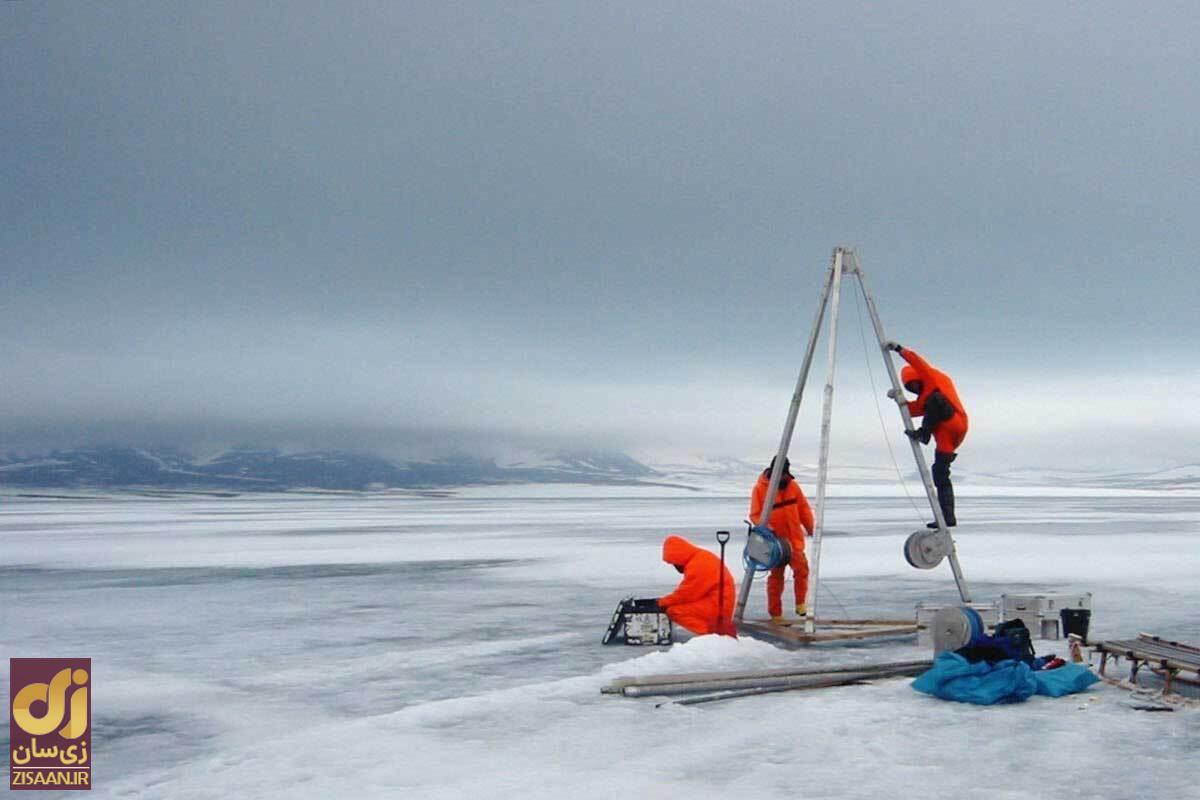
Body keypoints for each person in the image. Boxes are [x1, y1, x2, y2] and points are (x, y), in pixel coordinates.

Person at [886, 342, 968, 528]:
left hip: (954, 420)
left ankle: (924, 434)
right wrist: (898, 399)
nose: (914, 390)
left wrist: (899, 350)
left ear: (918, 378)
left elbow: (917, 361)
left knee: (935, 399)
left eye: (913, 385)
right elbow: (912, 411)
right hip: (947, 437)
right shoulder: (925, 399)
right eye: (910, 388)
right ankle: (947, 517)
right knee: (940, 473)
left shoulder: (932, 379)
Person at [749, 456, 814, 623]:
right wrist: (767, 528)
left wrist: (811, 527)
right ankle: (775, 614)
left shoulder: (793, 486)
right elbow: (755, 515)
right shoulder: (760, 489)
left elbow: (804, 509)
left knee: (802, 570)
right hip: (775, 543)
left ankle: (801, 604)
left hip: (794, 541)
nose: (784, 478)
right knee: (776, 577)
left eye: (785, 474)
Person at [658, 535, 737, 636]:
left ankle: (708, 633)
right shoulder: (699, 558)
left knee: (674, 611)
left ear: (678, 557)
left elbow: (687, 594)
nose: (675, 567)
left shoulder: (698, 564)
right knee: (675, 605)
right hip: (715, 600)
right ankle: (710, 630)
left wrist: (662, 602)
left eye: (674, 563)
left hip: (719, 606)